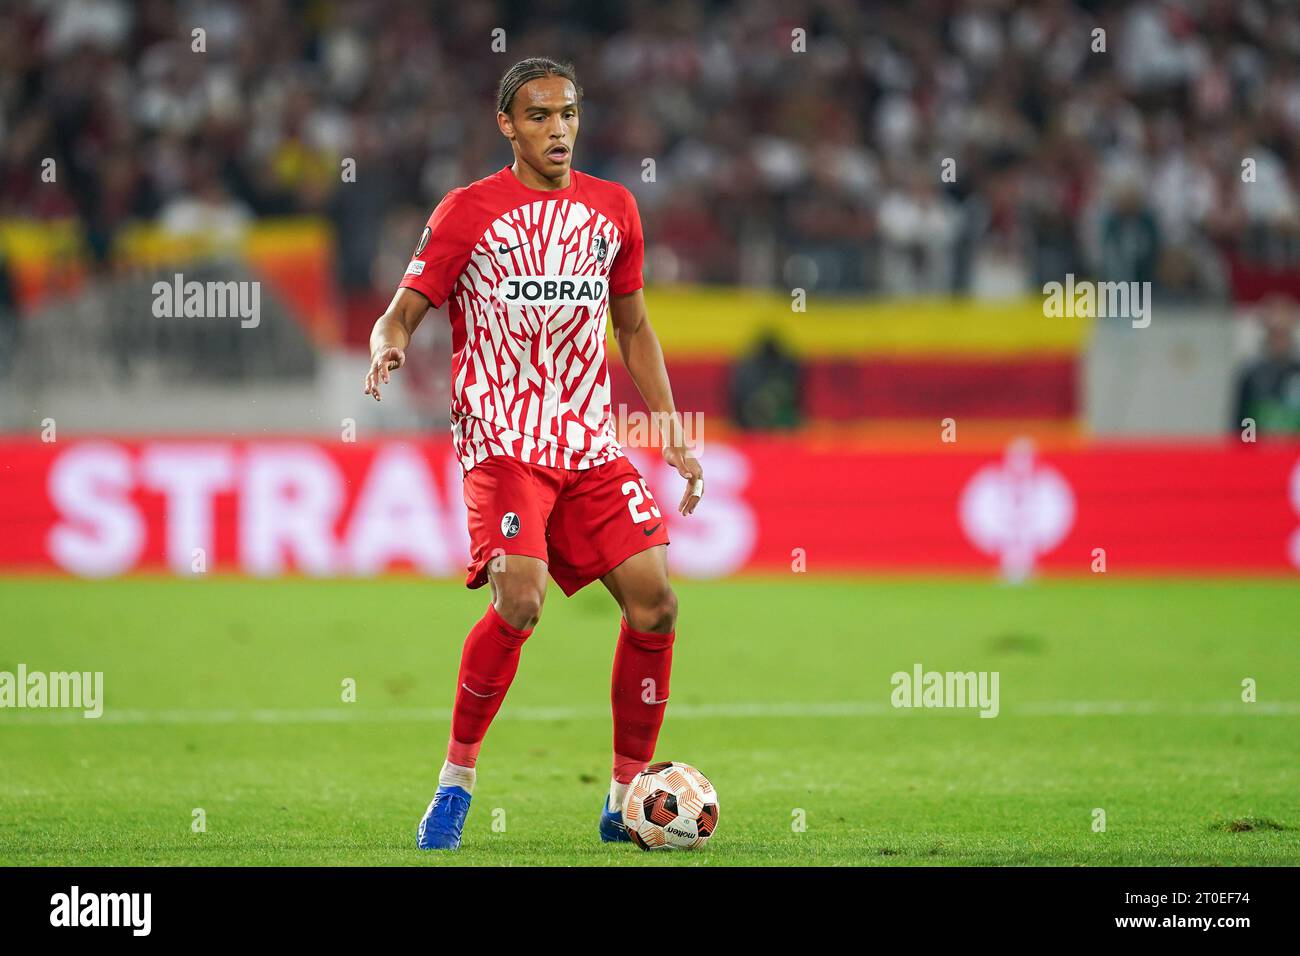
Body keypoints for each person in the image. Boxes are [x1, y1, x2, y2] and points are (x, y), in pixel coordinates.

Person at [362, 57, 703, 850]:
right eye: (541, 116)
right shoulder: (467, 212)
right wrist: (386, 347)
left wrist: (672, 430)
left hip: (589, 439)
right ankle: (456, 781)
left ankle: (625, 800)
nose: (559, 130)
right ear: (508, 126)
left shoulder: (614, 209)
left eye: (570, 114)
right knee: (521, 599)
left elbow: (635, 326)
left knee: (657, 601)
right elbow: (403, 310)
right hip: (502, 437)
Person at [1233, 295, 1300, 436]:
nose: (1280, 341)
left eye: (1284, 333)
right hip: (1261, 452)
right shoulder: (1251, 374)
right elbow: (1243, 421)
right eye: (1275, 333)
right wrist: (1249, 449)